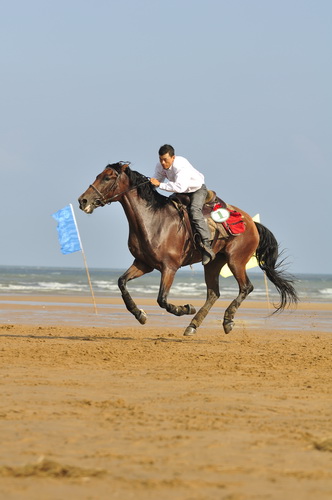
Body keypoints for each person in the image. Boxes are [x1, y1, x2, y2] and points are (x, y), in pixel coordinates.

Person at [150, 144, 215, 265]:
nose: (163, 163)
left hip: (196, 190)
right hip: (181, 191)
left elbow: (180, 187)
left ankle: (207, 246)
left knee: (195, 212)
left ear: (173, 157)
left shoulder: (180, 165)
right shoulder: (160, 166)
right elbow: (156, 179)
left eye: (166, 160)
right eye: (161, 159)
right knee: (166, 208)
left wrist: (159, 185)